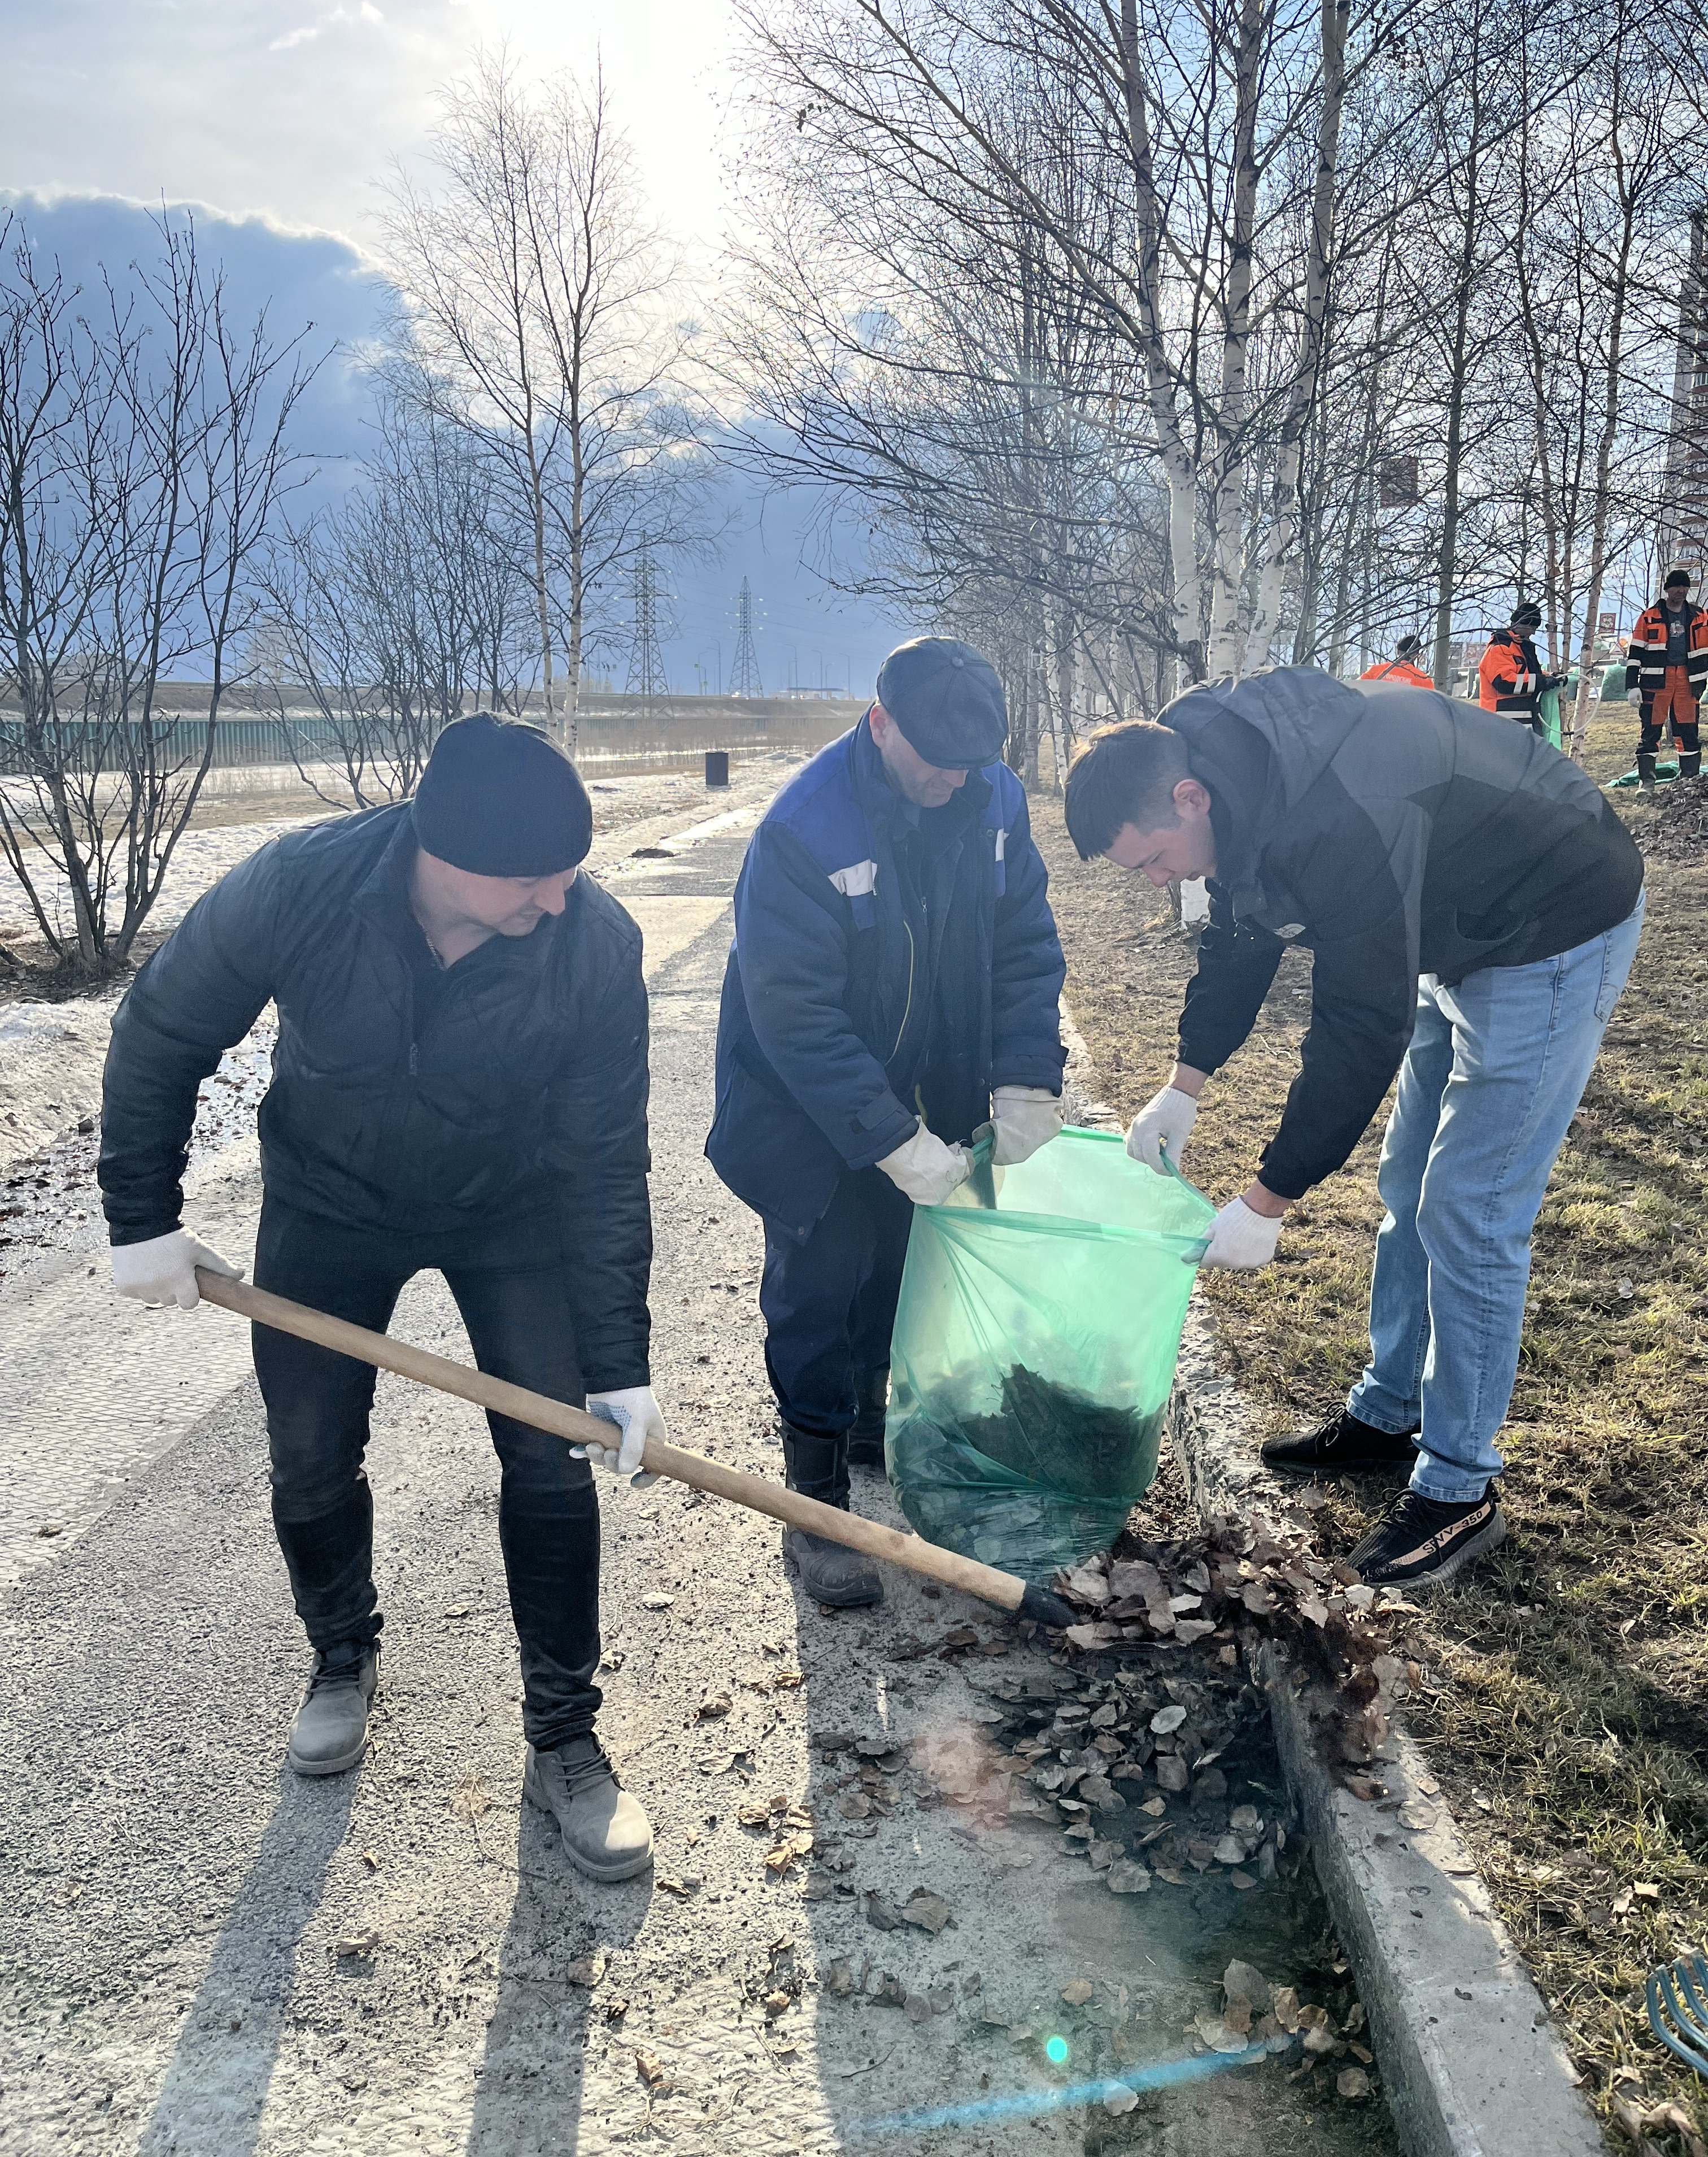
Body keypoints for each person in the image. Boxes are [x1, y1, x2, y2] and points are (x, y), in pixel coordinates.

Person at [98, 715, 659, 1884]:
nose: (557, 902)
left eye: (570, 876)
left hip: (513, 1214)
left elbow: (605, 1161)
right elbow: (164, 1028)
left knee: (551, 1459)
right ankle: (340, 1657)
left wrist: (618, 1364)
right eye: (534, 880)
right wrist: (139, 1216)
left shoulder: (591, 946)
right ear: (444, 855)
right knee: (308, 1450)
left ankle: (565, 1733)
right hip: (330, 1201)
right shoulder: (302, 886)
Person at [1063, 666, 1644, 1591]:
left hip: (1552, 914)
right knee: (1406, 1186)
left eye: (1151, 858)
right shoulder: (1220, 770)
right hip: (1453, 912)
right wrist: (1183, 1085)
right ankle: (1387, 1413)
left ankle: (1458, 1486)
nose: (1158, 879)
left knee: (1469, 1207)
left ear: (1185, 795)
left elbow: (1356, 1030)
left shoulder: (1334, 814)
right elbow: (1238, 937)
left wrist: (1267, 1199)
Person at [707, 638, 1067, 1607]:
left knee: (905, 1263)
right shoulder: (804, 831)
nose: (949, 778)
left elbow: (1025, 943)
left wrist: (1026, 1077)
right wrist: (887, 1141)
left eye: (968, 761)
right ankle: (817, 1505)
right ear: (878, 724)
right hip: (802, 1097)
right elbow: (795, 1016)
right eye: (931, 757)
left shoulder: (991, 800)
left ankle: (873, 1424)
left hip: (933, 1077)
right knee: (822, 1277)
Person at [1627, 568, 1706, 785]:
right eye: (1676, 587)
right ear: (1667, 590)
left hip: (1688, 681)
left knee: (1688, 730)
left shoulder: (1701, 617)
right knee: (1651, 731)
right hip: (1655, 683)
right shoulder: (1649, 617)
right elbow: (1635, 654)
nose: (1681, 591)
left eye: (1685, 586)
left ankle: (1688, 781)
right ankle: (1647, 782)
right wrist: (1632, 685)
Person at [1478, 600, 1567, 735]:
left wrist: (1550, 678)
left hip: (1519, 723)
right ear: (1523, 624)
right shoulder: (1500, 649)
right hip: (1503, 724)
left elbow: (1525, 674)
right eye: (1533, 628)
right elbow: (1505, 682)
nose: (1534, 633)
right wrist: (1542, 682)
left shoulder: (1518, 647)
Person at [1358, 633, 1433, 689]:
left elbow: (1356, 688)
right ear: (1416, 655)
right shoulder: (1424, 680)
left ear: (1397, 651)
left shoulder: (1375, 671)